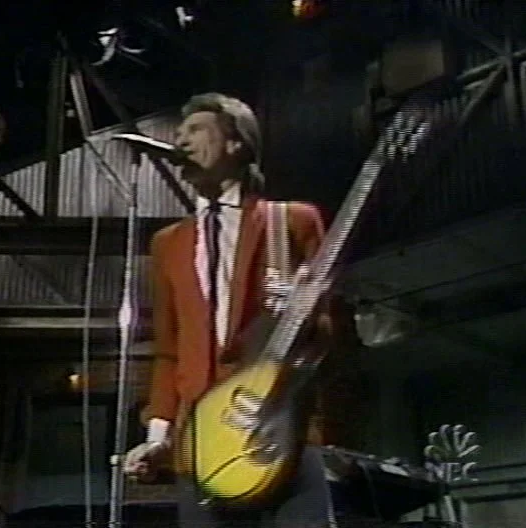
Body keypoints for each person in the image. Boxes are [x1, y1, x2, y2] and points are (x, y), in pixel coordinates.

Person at [123, 92, 360, 528]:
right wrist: (158, 436)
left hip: (279, 430)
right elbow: (169, 350)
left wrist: (307, 320)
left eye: (196, 130)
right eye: (179, 132)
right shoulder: (167, 243)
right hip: (201, 441)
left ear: (237, 144)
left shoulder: (291, 222)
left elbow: (333, 337)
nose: (181, 140)